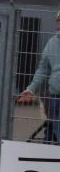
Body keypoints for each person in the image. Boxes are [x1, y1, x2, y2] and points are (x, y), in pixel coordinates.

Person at [18, 10, 60, 143]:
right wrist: (31, 89)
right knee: (55, 130)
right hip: (56, 96)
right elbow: (42, 69)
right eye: (59, 20)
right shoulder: (52, 43)